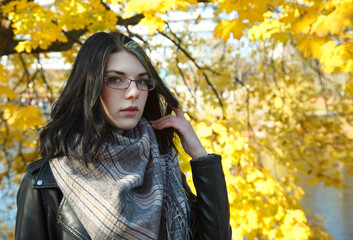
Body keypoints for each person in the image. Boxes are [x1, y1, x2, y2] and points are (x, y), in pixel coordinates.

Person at [15, 31, 231, 240]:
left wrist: (200, 157)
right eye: (116, 79)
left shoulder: (164, 167)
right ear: (89, 86)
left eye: (142, 81)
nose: (134, 92)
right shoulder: (45, 185)